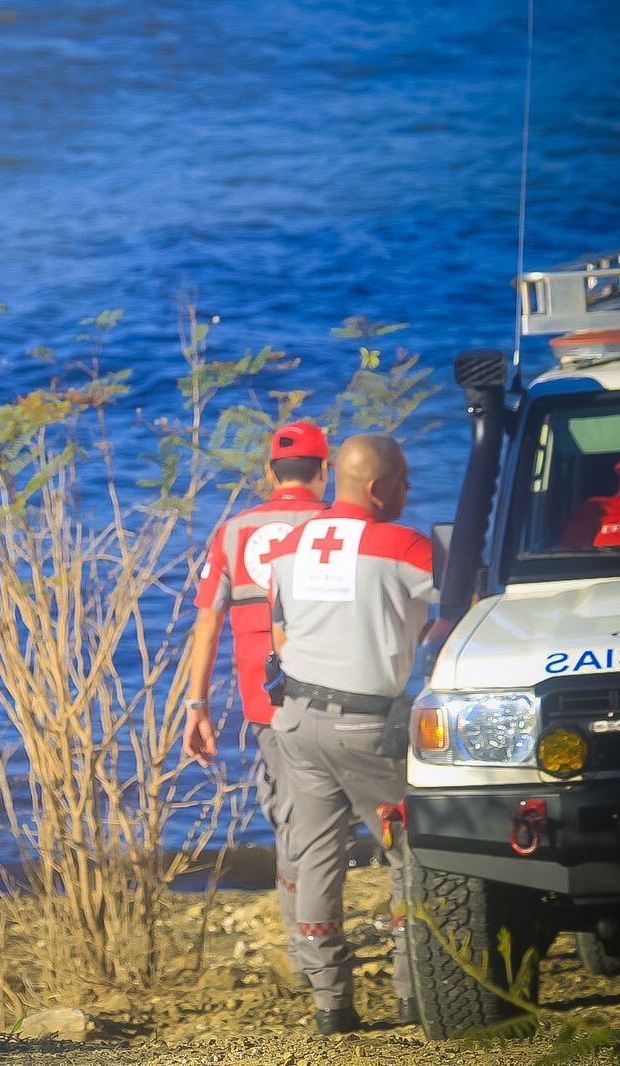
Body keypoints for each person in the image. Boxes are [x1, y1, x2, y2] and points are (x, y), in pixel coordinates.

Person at [264, 435, 432, 1034]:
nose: (408, 493)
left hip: (297, 720)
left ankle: (331, 1006)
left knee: (315, 861)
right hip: (366, 726)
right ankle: (418, 992)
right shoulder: (407, 546)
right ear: (381, 487)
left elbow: (278, 626)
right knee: (415, 851)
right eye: (406, 482)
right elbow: (465, 608)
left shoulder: (285, 545)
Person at [184, 420, 329, 974]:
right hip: (335, 687)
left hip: (265, 698)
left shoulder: (234, 531)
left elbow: (208, 619)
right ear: (324, 469)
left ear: (270, 472)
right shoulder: (334, 525)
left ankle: (304, 944)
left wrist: (197, 706)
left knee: (289, 816)